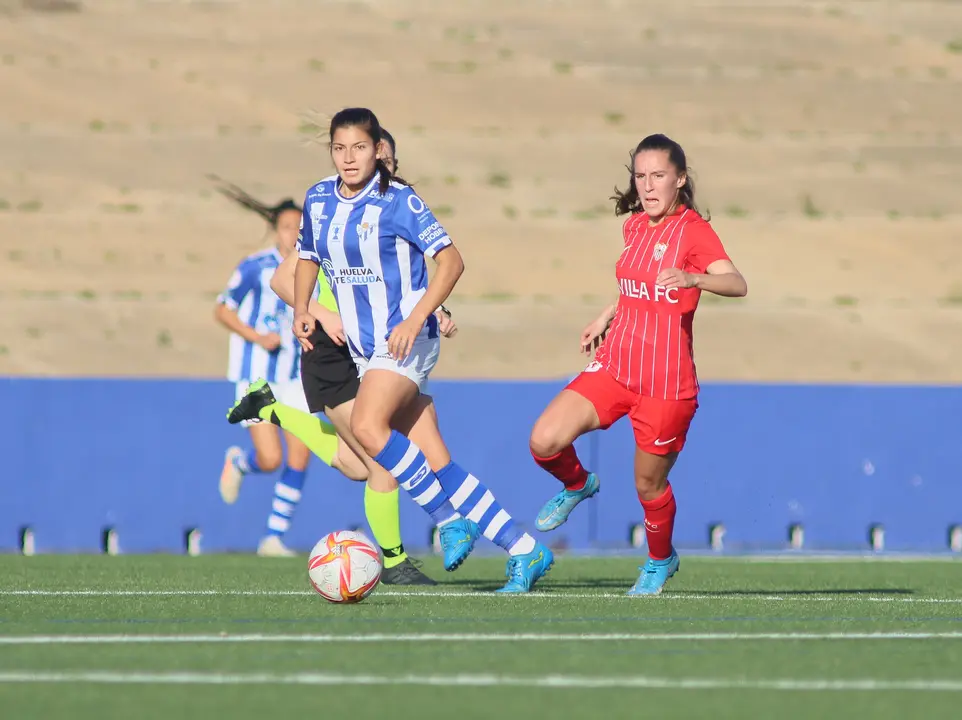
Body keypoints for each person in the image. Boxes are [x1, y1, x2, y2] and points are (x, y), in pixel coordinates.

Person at [293, 107, 554, 593]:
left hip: (407, 339)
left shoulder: (400, 201)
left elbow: (451, 262)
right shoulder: (318, 199)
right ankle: (524, 548)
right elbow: (307, 255)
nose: (349, 158)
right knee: (437, 460)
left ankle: (447, 519)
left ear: (377, 150)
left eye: (360, 148)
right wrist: (302, 307)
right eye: (339, 148)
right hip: (366, 349)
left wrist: (416, 318)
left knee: (370, 428)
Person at [226, 133, 457, 585]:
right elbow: (282, 281)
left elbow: (407, 285)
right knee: (379, 461)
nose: (381, 167)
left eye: (387, 160)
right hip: (332, 355)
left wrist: (439, 313)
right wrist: (321, 313)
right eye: (375, 157)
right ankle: (394, 563)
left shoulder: (390, 211)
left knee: (358, 466)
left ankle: (271, 408)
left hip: (372, 351)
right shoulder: (329, 212)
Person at [527, 134, 748, 595]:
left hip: (665, 384)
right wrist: (606, 316)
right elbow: (636, 283)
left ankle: (659, 560)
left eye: (658, 176)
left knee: (648, 487)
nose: (648, 186)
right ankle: (578, 485)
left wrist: (694, 277)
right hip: (615, 366)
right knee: (544, 440)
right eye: (641, 176)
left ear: (680, 180)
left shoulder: (693, 231)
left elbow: (737, 283)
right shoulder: (635, 225)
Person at [212, 178, 319, 557]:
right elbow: (222, 309)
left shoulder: (313, 269)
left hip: (294, 377)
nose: (294, 233)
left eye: (299, 227)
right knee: (271, 460)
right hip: (256, 376)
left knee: (302, 453)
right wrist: (256, 337)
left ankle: (273, 537)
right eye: (288, 227)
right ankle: (240, 463)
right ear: (276, 229)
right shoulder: (256, 267)